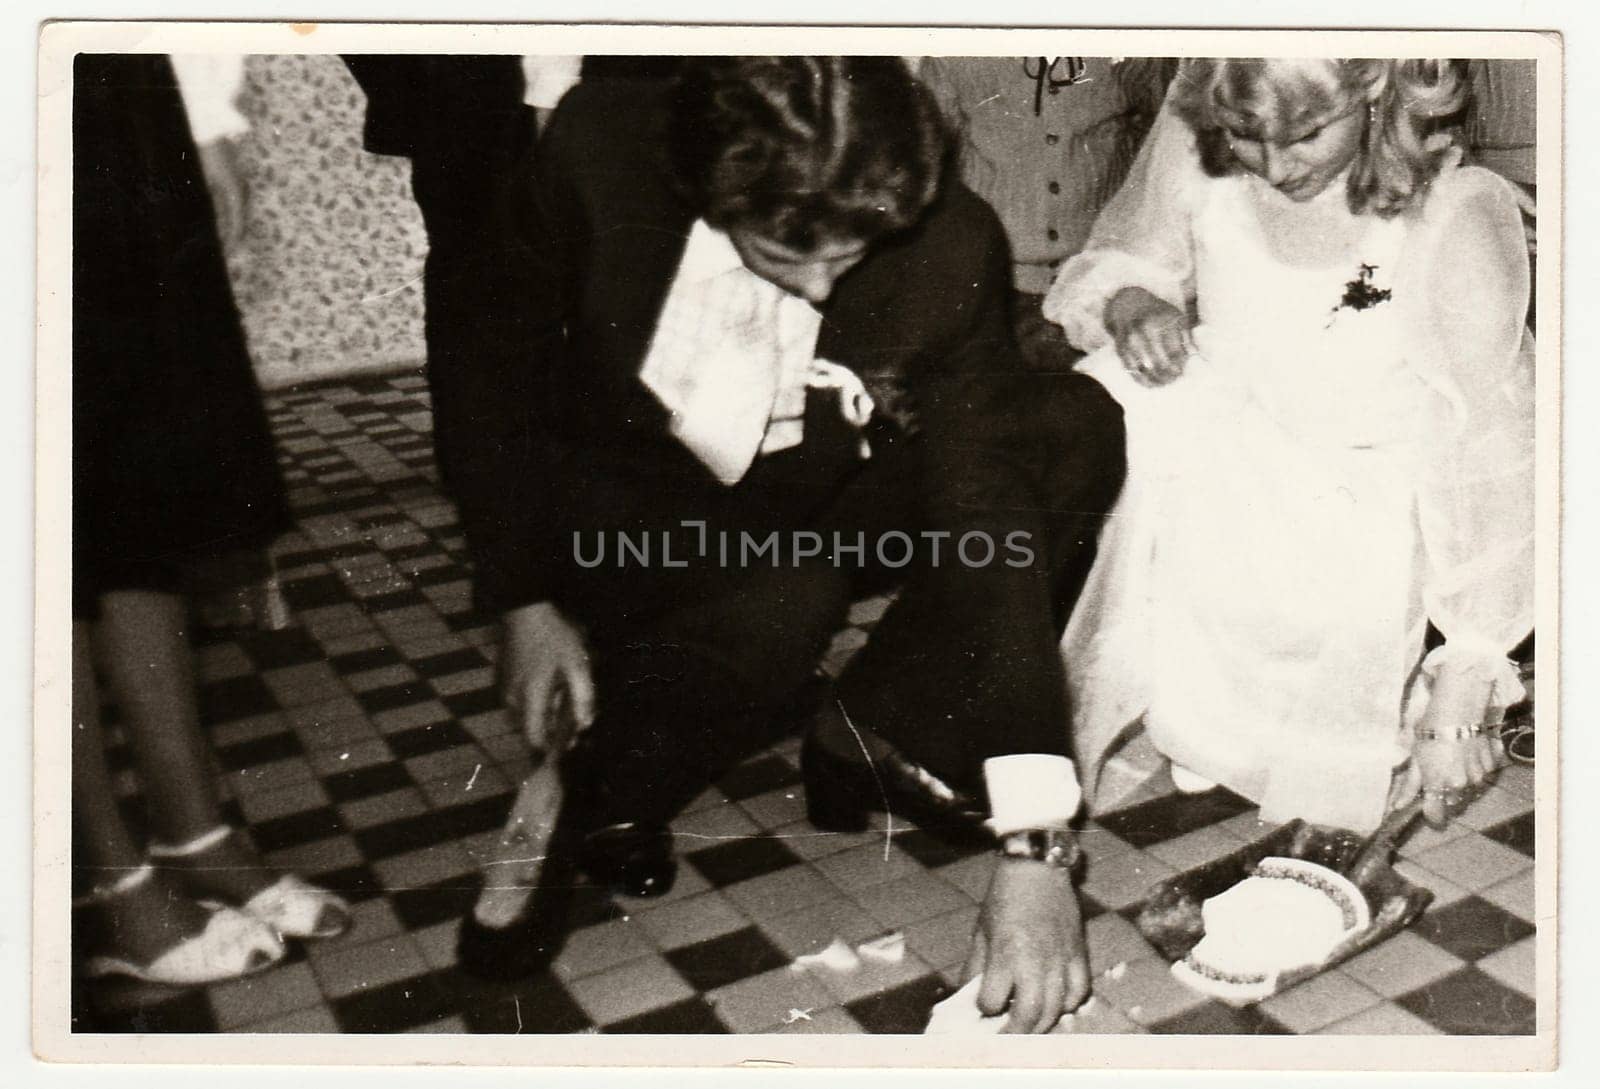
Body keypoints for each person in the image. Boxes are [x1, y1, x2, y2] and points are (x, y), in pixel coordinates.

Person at [453, 56, 1127, 1034]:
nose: (821, 288)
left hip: (821, 496)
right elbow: (490, 371)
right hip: (628, 526)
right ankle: (595, 779)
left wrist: (1035, 839)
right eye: (783, 251)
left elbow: (989, 507)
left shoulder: (947, 241)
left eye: (851, 252)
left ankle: (875, 723)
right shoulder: (598, 148)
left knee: (1063, 421)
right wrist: (523, 599)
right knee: (783, 602)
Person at [1045, 58, 1534, 835]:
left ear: (1373, 88)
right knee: (1115, 401)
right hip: (1225, 479)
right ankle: (1203, 722)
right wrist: (1136, 302)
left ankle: (1351, 717)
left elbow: (1491, 448)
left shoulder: (1449, 209)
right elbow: (1130, 259)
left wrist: (1462, 691)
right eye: (1246, 136)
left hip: (1364, 498)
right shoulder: (1206, 147)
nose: (1276, 167)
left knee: (1323, 775)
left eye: (1307, 136)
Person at [71, 53, 350, 986]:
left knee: (142, 477)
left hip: (109, 95)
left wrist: (205, 118)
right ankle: (110, 878)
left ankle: (195, 832)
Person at [919, 56, 1175, 370]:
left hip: (1098, 286)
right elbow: (926, 164)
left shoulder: (1128, 43)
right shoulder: (956, 49)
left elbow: (1170, 132)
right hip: (990, 285)